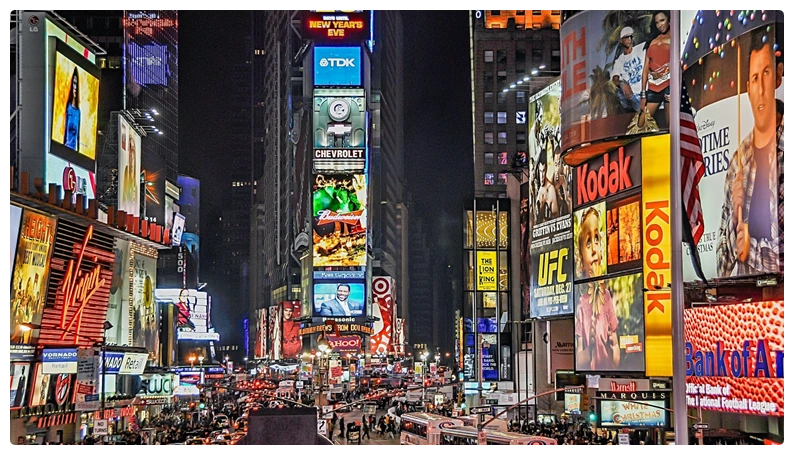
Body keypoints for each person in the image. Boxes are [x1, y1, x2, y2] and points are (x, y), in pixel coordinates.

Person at [716, 28, 781, 277]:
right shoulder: (738, 162)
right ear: (747, 87)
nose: (761, 88)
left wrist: (749, 248)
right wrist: (735, 216)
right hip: (747, 309)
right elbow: (720, 269)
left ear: (778, 76)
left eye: (766, 73)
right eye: (754, 78)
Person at [574, 207, 620, 371]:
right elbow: (579, 361)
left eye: (597, 239)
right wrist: (590, 348)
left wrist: (613, 345)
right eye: (588, 243)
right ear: (580, 255)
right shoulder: (581, 304)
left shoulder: (606, 296)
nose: (594, 249)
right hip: (591, 375)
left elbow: (616, 355)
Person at [638, 11, 671, 130]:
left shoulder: (676, 37)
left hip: (669, 84)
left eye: (662, 20)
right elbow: (645, 70)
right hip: (653, 87)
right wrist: (643, 95)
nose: (659, 25)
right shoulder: (652, 41)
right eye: (657, 22)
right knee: (640, 125)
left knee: (671, 126)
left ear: (669, 20)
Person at [613, 26, 646, 114]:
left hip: (645, 92)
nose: (629, 39)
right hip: (633, 96)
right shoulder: (619, 61)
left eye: (630, 36)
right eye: (626, 37)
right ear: (621, 40)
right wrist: (622, 83)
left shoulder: (640, 49)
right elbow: (615, 79)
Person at [64, 67, 81, 151]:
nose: (75, 87)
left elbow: (78, 135)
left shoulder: (78, 112)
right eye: (74, 83)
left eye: (76, 84)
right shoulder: (68, 108)